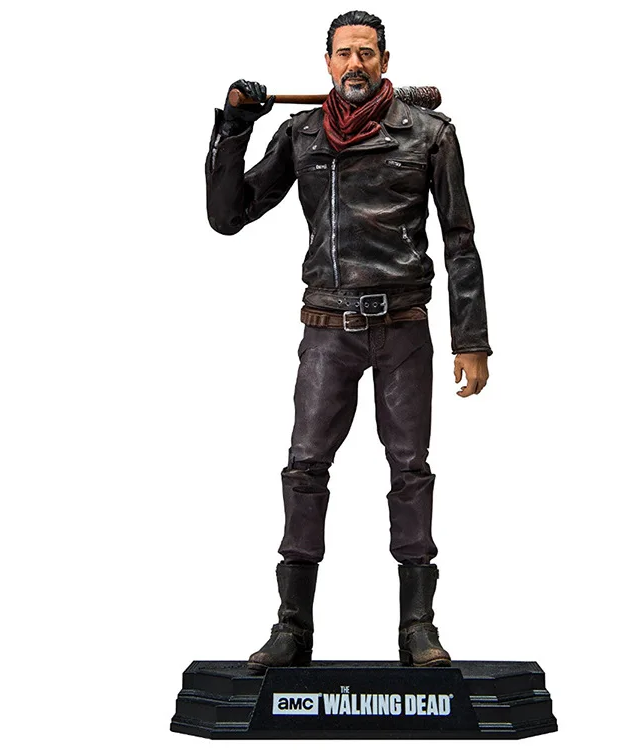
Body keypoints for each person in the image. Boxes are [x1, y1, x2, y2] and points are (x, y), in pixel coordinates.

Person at [205, 10, 491, 672]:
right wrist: (234, 128)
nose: (355, 64)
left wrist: (471, 339)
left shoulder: (429, 133)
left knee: (410, 469)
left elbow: (460, 240)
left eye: (366, 52)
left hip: (403, 326)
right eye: (344, 53)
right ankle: (292, 627)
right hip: (327, 327)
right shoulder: (302, 134)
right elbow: (228, 215)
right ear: (328, 63)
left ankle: (418, 627)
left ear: (385, 61)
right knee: (305, 467)